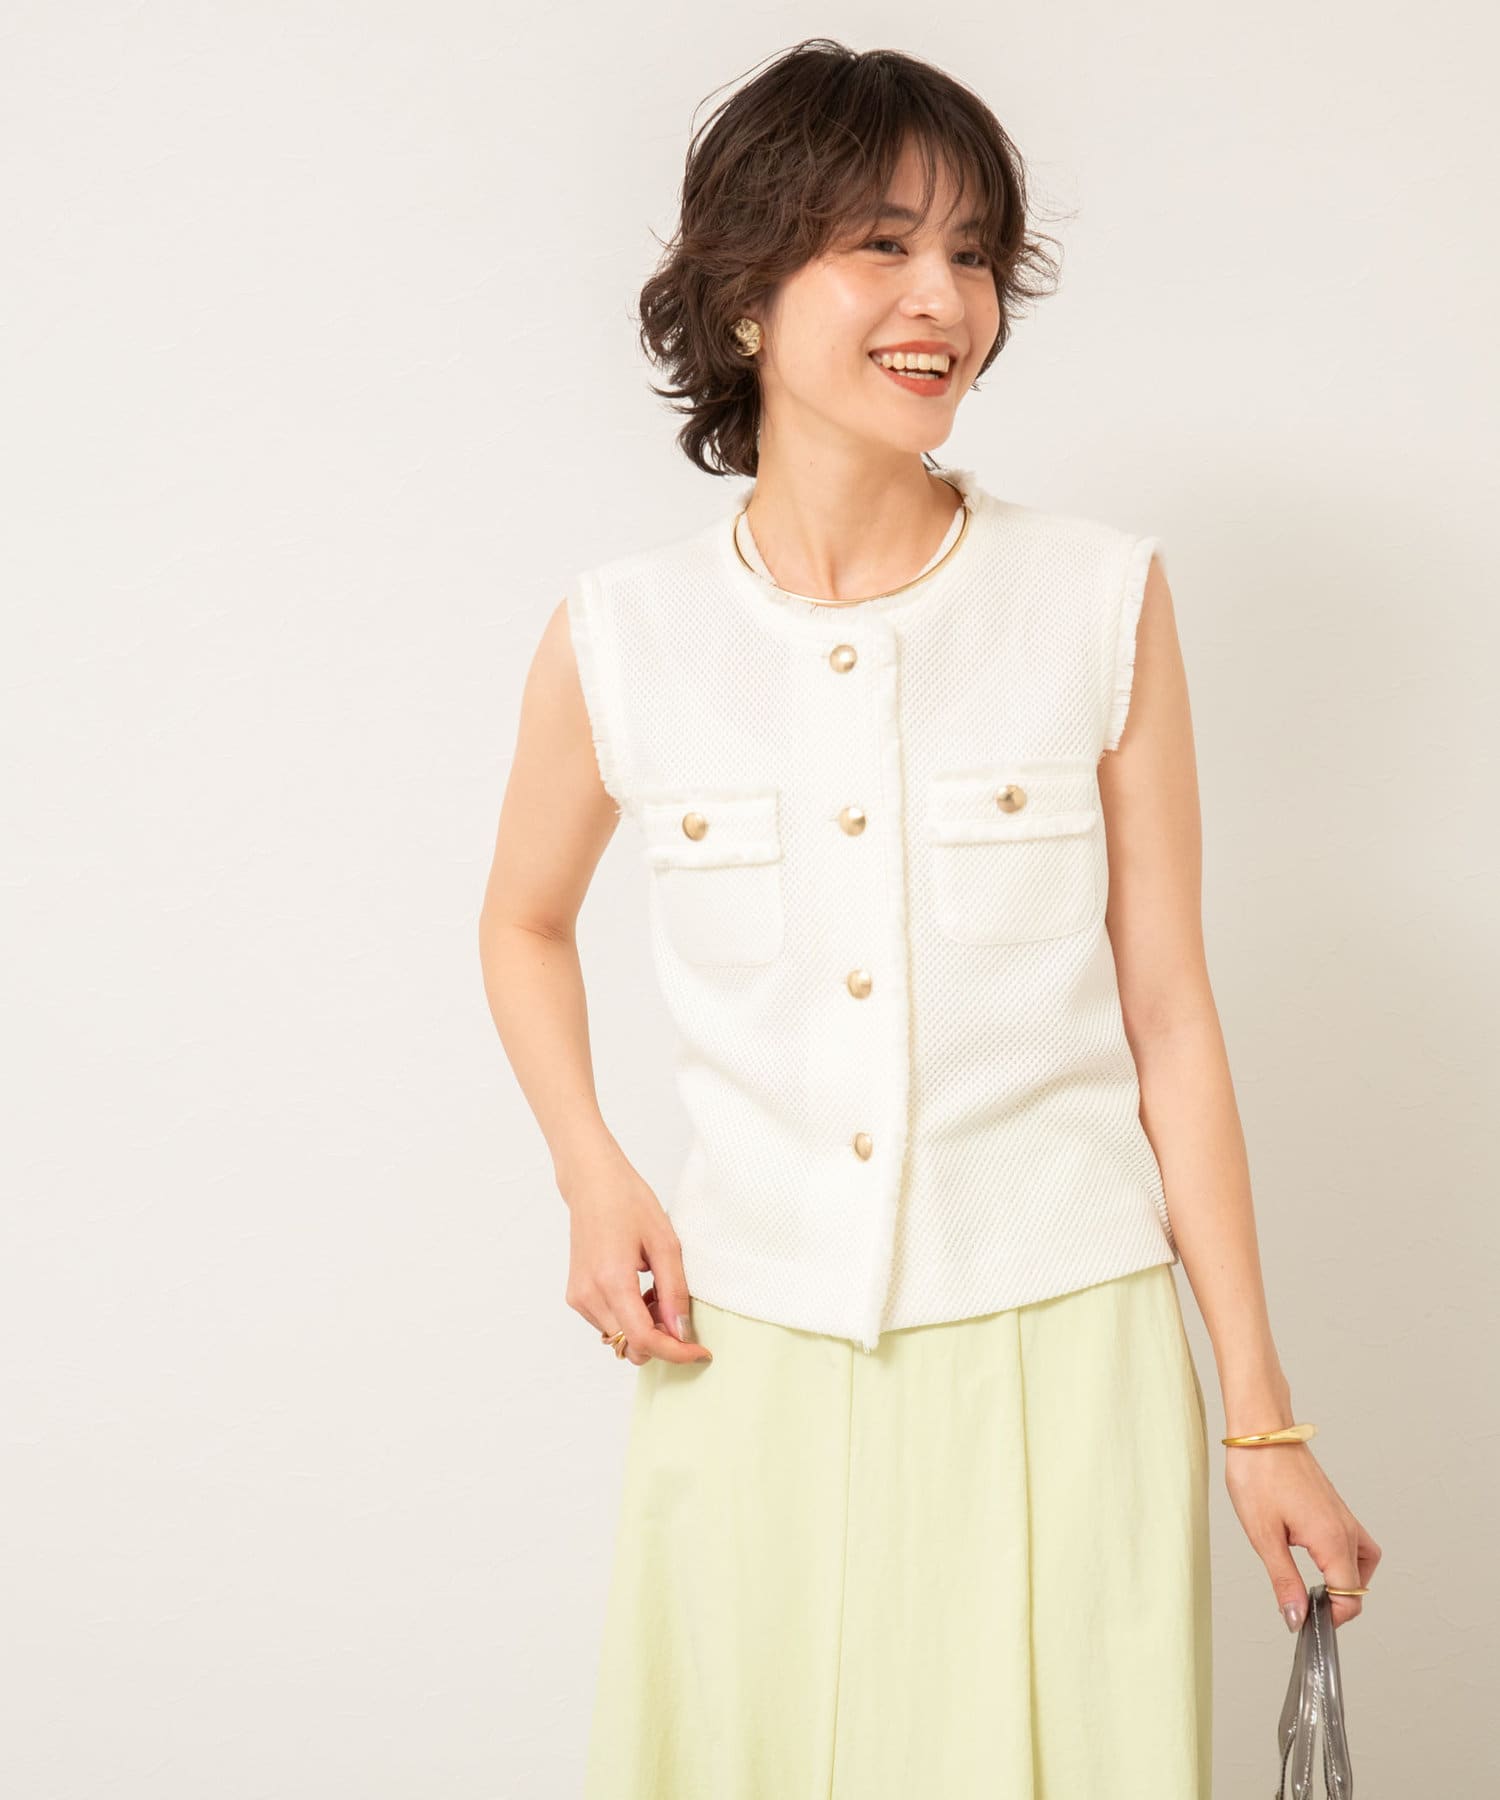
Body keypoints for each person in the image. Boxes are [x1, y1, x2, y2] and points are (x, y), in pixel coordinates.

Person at [477, 38, 1380, 1799]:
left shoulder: (1096, 599)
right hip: (748, 1353)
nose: (942, 299)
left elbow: (1169, 1014)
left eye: (972, 254)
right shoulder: (621, 637)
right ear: (745, 293)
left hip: (1065, 1349)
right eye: (881, 245)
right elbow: (521, 922)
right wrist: (592, 1168)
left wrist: (1260, 1416)